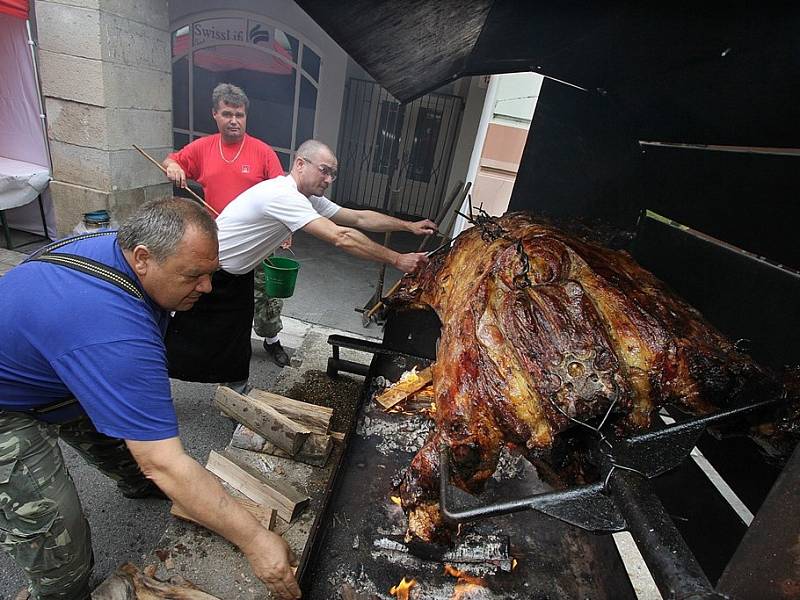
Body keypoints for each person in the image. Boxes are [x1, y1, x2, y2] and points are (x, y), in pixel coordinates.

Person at [0, 198, 301, 600]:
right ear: (142, 258)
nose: (207, 288)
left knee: (137, 456)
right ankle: (56, 591)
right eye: (194, 275)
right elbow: (164, 461)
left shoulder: (120, 247)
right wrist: (256, 541)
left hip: (56, 369)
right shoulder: (114, 331)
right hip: (9, 407)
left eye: (210, 273)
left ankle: (135, 482)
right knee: (61, 544)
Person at [165, 139, 437, 387]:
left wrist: (408, 226)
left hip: (238, 275)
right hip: (211, 273)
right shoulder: (283, 195)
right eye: (324, 170)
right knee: (186, 336)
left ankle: (235, 391)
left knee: (235, 339)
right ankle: (145, 385)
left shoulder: (308, 199)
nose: (329, 179)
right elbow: (341, 236)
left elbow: (357, 219)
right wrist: (398, 259)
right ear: (300, 164)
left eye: (333, 173)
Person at [162, 83, 291, 368]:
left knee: (265, 292)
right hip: (214, 239)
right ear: (215, 115)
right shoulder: (203, 147)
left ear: (246, 116)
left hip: (258, 240)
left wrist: (286, 229)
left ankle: (271, 340)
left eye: (240, 115)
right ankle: (200, 344)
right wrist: (174, 167)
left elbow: (284, 192)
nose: (234, 120)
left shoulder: (262, 152)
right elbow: (172, 160)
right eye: (228, 114)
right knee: (206, 289)